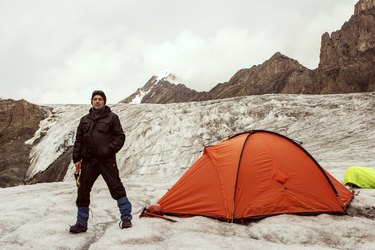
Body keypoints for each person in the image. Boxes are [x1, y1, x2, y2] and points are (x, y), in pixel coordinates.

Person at [69, 90, 132, 234]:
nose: (97, 101)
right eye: (95, 99)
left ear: (104, 102)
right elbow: (78, 141)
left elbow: (120, 137)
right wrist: (76, 159)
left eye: (100, 99)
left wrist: (108, 150)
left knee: (116, 187)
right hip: (88, 161)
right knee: (83, 191)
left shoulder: (112, 118)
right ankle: (81, 223)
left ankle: (126, 217)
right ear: (91, 101)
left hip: (106, 160)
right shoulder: (84, 120)